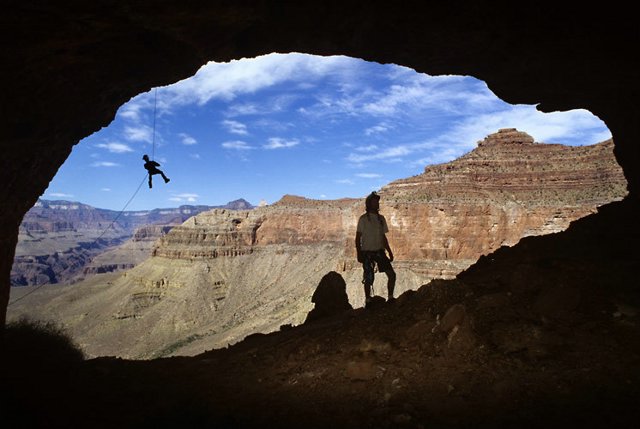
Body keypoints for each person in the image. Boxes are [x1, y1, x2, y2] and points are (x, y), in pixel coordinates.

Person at [355, 191, 396, 306]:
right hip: (367, 252)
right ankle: (368, 300)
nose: (376, 204)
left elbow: (383, 237)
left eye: (377, 202)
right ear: (369, 204)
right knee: (368, 278)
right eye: (374, 202)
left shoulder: (381, 219)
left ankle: (390, 297)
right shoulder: (363, 219)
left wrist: (389, 251)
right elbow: (358, 238)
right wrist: (359, 253)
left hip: (379, 252)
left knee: (392, 274)